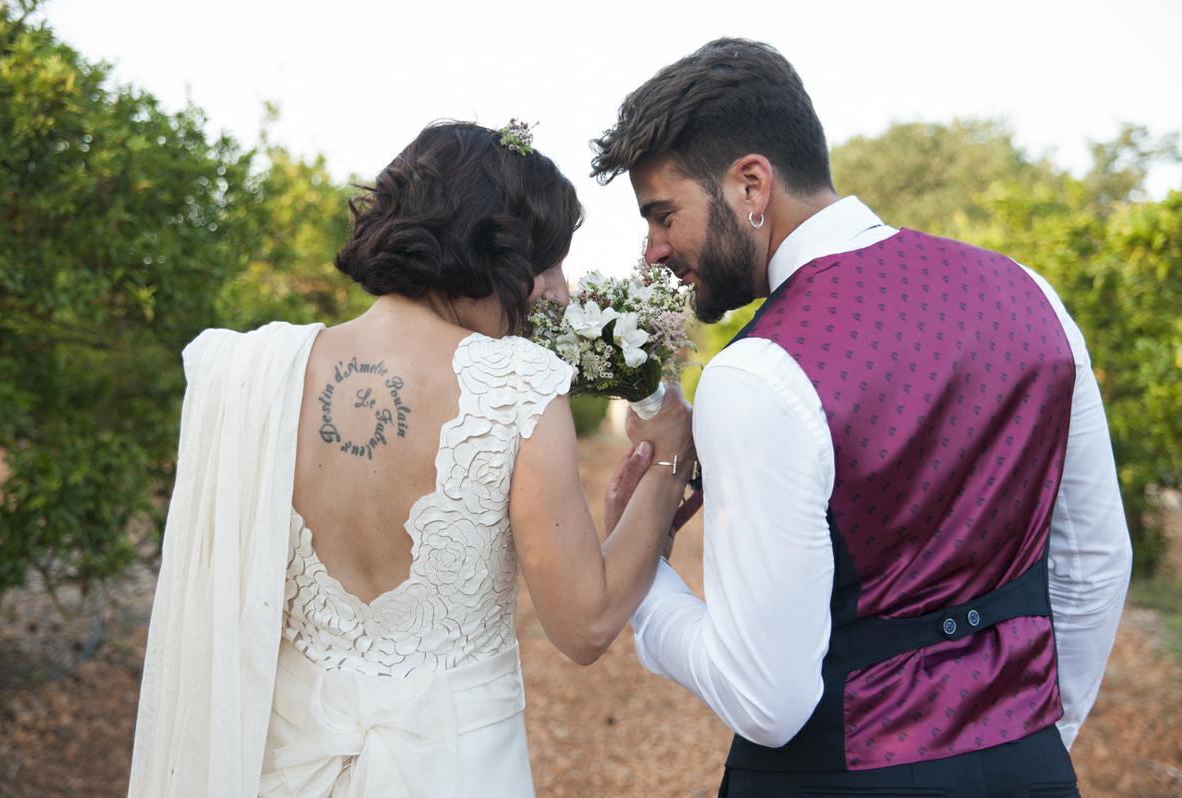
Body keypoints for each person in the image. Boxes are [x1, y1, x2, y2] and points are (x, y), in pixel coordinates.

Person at [593, 38, 1133, 797]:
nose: (652, 252)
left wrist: (644, 579)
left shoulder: (757, 374)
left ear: (752, 184)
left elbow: (765, 699)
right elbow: (1094, 563)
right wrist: (1036, 741)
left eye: (661, 215)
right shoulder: (1030, 294)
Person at [128, 120, 696, 797]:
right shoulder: (513, 383)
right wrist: (666, 464)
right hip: (457, 770)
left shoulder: (258, 374)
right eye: (548, 263)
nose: (558, 291)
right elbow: (585, 624)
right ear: (499, 252)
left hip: (282, 769)